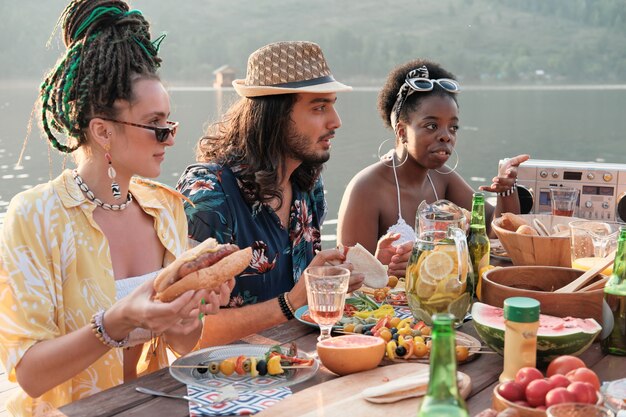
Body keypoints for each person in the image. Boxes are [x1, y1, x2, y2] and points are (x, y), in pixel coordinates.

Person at [0, 1, 232, 415]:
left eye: (171, 124)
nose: (170, 138)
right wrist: (114, 323)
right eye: (157, 125)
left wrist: (190, 315)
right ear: (103, 131)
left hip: (153, 406)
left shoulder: (166, 208)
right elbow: (29, 375)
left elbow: (178, 344)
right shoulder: (34, 217)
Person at [177, 41, 363, 346]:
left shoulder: (308, 186)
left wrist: (335, 280)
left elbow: (305, 288)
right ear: (275, 116)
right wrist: (289, 303)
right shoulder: (208, 195)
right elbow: (186, 331)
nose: (336, 122)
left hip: (299, 364)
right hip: (226, 382)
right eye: (319, 107)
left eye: (332, 104)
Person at [337, 59, 529, 277]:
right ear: (401, 131)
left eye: (453, 127)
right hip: (386, 310)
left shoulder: (443, 179)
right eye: (431, 126)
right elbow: (349, 275)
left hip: (442, 304)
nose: (446, 136)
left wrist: (507, 189)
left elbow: (495, 235)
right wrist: (389, 269)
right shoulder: (366, 189)